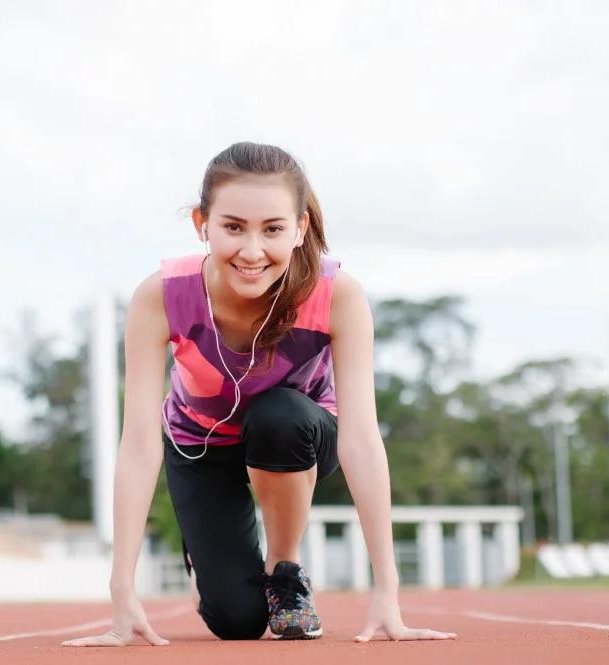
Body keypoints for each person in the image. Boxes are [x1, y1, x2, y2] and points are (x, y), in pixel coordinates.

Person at [62, 142, 458, 645]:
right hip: (200, 445)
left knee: (280, 416)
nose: (252, 251)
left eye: (272, 229)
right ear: (201, 224)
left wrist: (388, 591)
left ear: (300, 228)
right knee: (237, 623)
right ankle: (207, 561)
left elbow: (360, 440)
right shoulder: (159, 296)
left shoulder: (337, 295)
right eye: (233, 227)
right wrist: (121, 590)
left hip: (296, 433)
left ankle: (284, 572)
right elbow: (139, 443)